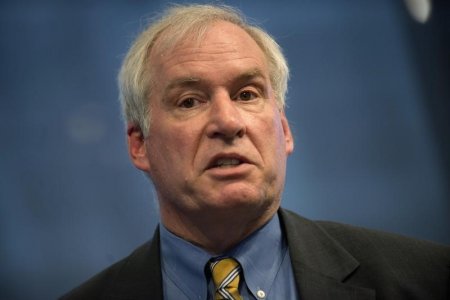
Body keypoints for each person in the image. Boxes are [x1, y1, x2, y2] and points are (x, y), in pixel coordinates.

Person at [61, 4, 449, 300]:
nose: (228, 122)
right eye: (190, 101)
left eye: (247, 94)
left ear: (283, 130)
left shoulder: (427, 279)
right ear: (139, 144)